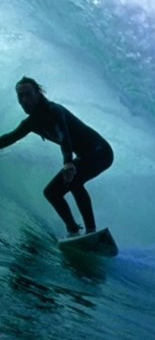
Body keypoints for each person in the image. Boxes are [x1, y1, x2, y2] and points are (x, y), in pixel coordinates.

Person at [0, 77, 114, 237]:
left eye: (28, 94)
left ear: (38, 94)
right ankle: (73, 230)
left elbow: (63, 136)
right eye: (21, 96)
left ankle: (91, 231)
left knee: (74, 180)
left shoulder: (54, 111)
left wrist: (68, 163)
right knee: (51, 192)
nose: (24, 100)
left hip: (100, 152)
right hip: (85, 156)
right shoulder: (31, 122)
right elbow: (9, 138)